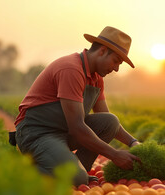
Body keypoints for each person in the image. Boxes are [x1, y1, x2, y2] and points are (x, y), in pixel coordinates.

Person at [13, 26, 141, 186]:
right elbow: (77, 127)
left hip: (62, 133)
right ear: (102, 51)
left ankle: (74, 169)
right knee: (76, 179)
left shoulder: (96, 78)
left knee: (110, 122)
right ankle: (21, 171)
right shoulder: (71, 69)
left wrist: (133, 142)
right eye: (116, 61)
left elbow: (109, 123)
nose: (116, 68)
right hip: (37, 133)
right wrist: (114, 154)